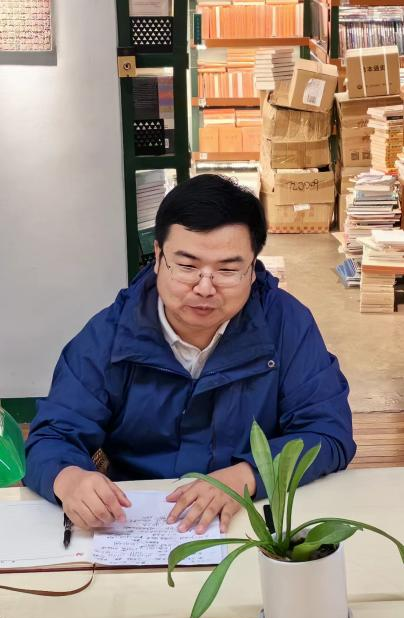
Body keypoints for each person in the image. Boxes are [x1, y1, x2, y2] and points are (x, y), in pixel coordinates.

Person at [24, 174, 356, 535]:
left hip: (251, 519)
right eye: (186, 266)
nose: (204, 287)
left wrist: (247, 475)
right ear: (157, 257)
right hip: (134, 521)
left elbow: (328, 433)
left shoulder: (285, 324)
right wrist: (68, 478)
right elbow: (53, 436)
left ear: (253, 269)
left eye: (228, 270)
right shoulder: (110, 334)